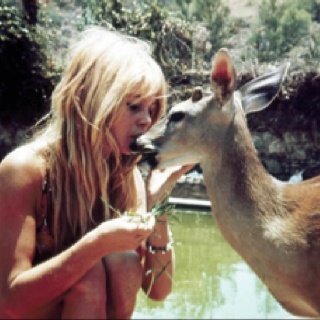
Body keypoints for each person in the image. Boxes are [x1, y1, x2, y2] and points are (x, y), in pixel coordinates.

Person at [0, 26, 192, 319]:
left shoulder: (126, 178)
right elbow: (9, 302)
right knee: (87, 280)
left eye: (152, 110)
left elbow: (157, 290)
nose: (147, 120)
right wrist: (96, 245)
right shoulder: (24, 170)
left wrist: (158, 204)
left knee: (125, 262)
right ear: (91, 100)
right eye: (134, 106)